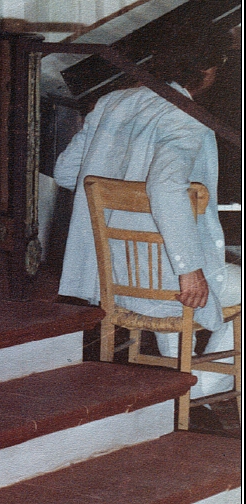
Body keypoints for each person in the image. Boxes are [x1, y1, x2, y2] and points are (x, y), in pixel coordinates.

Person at [55, 25, 240, 399]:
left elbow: (64, 171)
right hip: (166, 281)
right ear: (206, 71)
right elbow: (164, 187)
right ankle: (201, 387)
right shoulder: (186, 115)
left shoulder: (111, 102)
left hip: (113, 278)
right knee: (216, 279)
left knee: (169, 275)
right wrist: (190, 269)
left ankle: (180, 382)